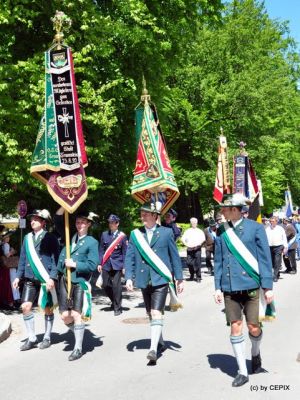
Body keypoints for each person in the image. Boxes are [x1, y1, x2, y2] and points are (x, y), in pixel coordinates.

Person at [214, 193, 274, 387]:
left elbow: (265, 259)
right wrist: (217, 287)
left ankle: (255, 354)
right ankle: (242, 370)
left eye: (225, 208)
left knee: (253, 327)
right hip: (230, 287)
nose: (222, 211)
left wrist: (268, 287)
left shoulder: (256, 228)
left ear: (235, 210)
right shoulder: (221, 231)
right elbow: (219, 260)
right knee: (235, 325)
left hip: (251, 286)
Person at [125, 203, 184, 364]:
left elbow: (174, 256)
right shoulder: (135, 234)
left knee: (157, 312)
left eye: (146, 214)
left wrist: (179, 277)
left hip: (160, 278)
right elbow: (129, 257)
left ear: (155, 216)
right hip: (144, 279)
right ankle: (161, 341)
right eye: (142, 214)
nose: (142, 216)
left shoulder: (166, 233)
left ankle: (152, 349)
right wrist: (129, 277)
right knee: (151, 314)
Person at [12, 209, 59, 351]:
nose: (32, 221)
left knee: (47, 308)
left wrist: (52, 277)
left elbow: (55, 259)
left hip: (45, 278)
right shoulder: (27, 238)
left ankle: (47, 337)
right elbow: (22, 259)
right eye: (32, 219)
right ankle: (32, 337)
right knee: (25, 307)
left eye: (36, 219)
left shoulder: (51, 238)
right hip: (30, 277)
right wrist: (18, 277)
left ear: (43, 223)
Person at [57, 211, 99, 361]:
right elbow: (57, 220)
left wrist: (74, 264)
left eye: (83, 222)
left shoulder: (92, 242)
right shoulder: (70, 237)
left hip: (80, 281)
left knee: (76, 314)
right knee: (65, 317)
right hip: (65, 280)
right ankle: (79, 333)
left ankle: (78, 348)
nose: (79, 225)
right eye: (77, 222)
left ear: (88, 224)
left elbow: (92, 265)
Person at [98, 214, 127, 316]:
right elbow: (101, 250)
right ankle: (114, 301)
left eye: (113, 222)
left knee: (116, 285)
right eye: (109, 222)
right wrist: (100, 263)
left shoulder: (122, 236)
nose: (111, 224)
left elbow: (124, 252)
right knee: (105, 285)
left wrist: (124, 266)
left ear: (117, 223)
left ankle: (118, 307)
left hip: (117, 264)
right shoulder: (104, 234)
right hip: (106, 264)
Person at [181, 217, 205, 282]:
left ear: (196, 223)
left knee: (198, 263)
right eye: (192, 223)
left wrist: (199, 244)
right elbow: (183, 239)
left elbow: (203, 239)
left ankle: (198, 277)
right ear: (191, 223)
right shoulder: (188, 231)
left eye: (195, 222)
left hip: (197, 248)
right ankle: (192, 274)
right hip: (189, 248)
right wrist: (186, 244)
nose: (194, 224)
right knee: (188, 262)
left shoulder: (199, 231)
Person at [1, 230, 21, 307]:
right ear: (5, 238)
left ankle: (11, 299)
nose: (9, 238)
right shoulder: (6, 245)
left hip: (5, 266)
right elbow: (7, 255)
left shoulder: (2, 245)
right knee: (13, 281)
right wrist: (12, 252)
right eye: (7, 237)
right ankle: (14, 299)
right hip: (9, 266)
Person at [265, 216, 288, 282]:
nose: (272, 223)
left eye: (273, 221)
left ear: (276, 222)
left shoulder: (280, 229)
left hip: (278, 246)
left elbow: (284, 238)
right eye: (271, 221)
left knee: (277, 261)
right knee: (272, 262)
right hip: (270, 247)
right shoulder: (267, 229)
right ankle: (277, 273)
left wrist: (285, 247)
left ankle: (275, 276)